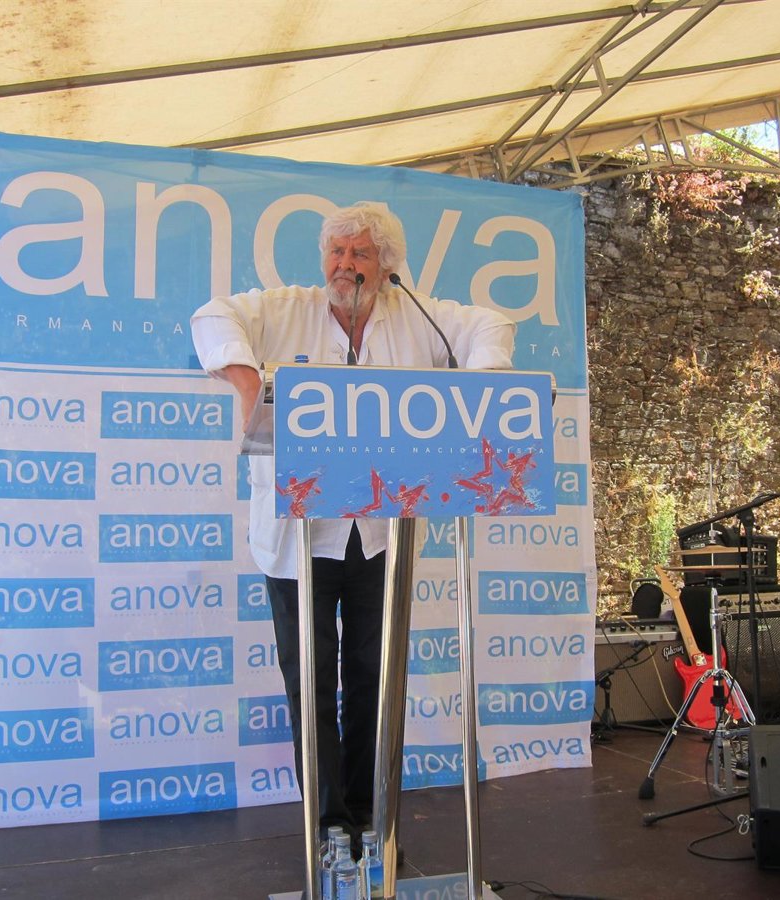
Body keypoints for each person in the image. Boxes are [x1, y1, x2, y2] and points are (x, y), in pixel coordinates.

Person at [190, 202, 515, 846]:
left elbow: (491, 324)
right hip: (296, 539)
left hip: (381, 537)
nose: (345, 266)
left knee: (375, 677)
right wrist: (249, 381)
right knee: (310, 680)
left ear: (387, 267)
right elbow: (212, 315)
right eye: (336, 252)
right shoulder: (287, 308)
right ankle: (326, 823)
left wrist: (479, 391)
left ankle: (369, 814)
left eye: (360, 253)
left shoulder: (418, 316)